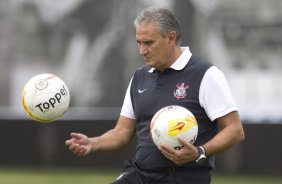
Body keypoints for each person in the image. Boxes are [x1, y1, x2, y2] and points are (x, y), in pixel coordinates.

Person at [65, 7, 245, 184]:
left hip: (185, 178)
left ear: (171, 38)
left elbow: (235, 130)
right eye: (139, 43)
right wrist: (92, 143)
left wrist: (200, 152)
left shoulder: (206, 74)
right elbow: (122, 132)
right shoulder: (139, 77)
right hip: (140, 175)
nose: (142, 50)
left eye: (149, 43)